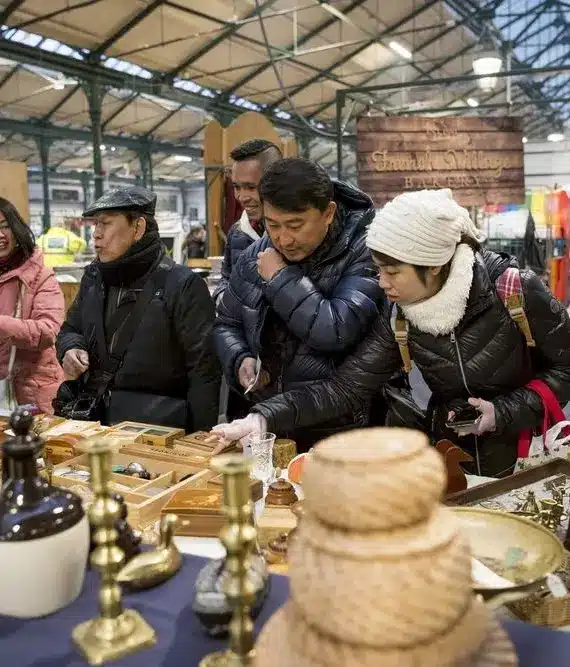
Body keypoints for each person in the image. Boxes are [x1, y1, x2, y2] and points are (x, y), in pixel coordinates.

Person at [211, 189, 570, 477]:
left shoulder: (513, 291)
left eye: (392, 272)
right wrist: (262, 416)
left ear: (432, 266)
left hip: (532, 458)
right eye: (378, 270)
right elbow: (345, 388)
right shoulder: (399, 316)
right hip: (454, 461)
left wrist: (504, 411)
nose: (382, 284)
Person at [213, 157, 384, 451]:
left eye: (295, 225)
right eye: (272, 224)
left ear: (328, 213)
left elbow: (336, 330)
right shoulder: (257, 253)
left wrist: (280, 279)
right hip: (268, 423)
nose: (284, 239)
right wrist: (240, 357)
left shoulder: (365, 250)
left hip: (340, 428)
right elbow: (226, 321)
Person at [55, 186, 220, 430]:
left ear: (138, 228)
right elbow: (70, 329)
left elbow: (204, 373)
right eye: (95, 225)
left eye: (106, 224)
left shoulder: (181, 285)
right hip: (94, 425)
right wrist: (70, 348)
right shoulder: (94, 277)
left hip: (158, 432)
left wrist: (200, 440)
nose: (96, 234)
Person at [0, 197, 64, 414]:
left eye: (4, 227)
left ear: (16, 229)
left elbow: (48, 332)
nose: (0, 235)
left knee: (36, 448)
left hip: (31, 395)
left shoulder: (40, 276)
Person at [213, 139, 282, 303]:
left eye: (251, 187)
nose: (241, 198)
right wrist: (223, 299)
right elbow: (225, 279)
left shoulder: (295, 236)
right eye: (236, 187)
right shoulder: (236, 232)